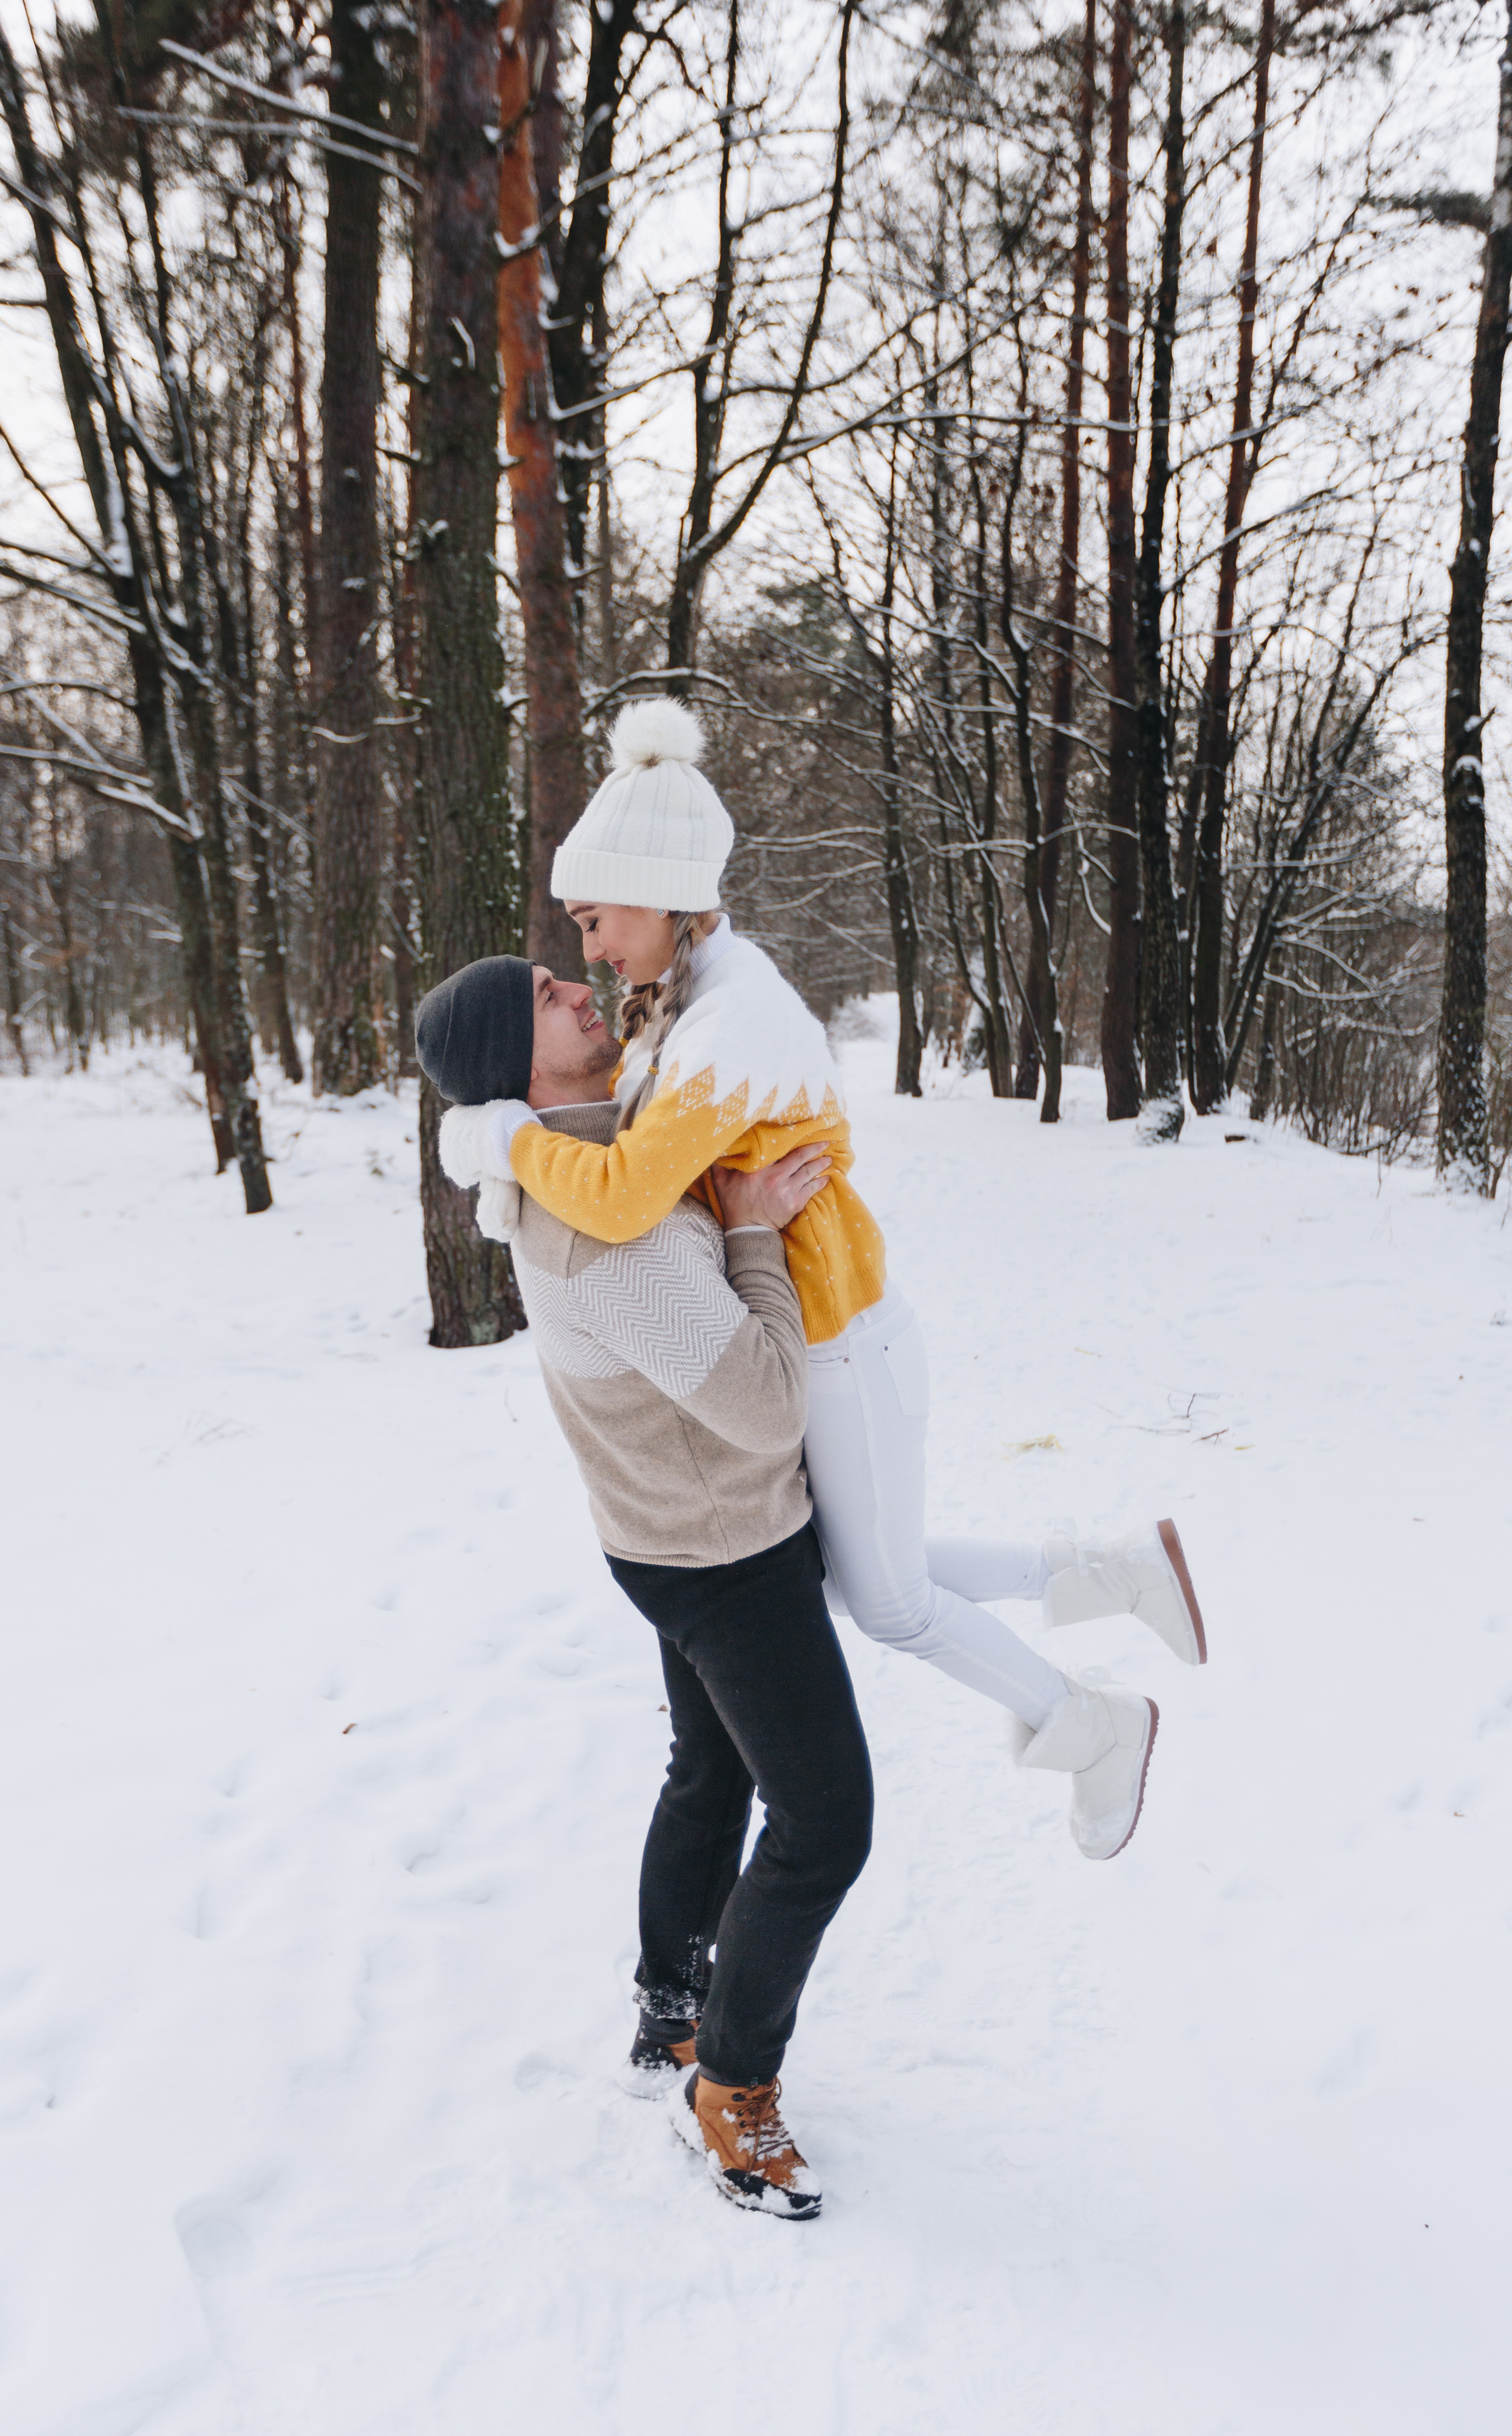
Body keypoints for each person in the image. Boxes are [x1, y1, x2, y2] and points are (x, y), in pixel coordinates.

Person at [440, 699, 1208, 1865]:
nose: (592, 948)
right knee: (859, 1582)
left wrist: (494, 1141)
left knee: (887, 1601)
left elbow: (623, 1198)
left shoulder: (731, 1022)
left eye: (596, 918)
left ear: (655, 893)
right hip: (827, 1323)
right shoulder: (693, 1002)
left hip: (838, 1338)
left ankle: (1089, 1724)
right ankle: (1109, 1574)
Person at [416, 952, 873, 2220]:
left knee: (710, 1771)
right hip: (721, 1550)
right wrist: (748, 1230)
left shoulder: (598, 1151)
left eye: (571, 974)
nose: (579, 995)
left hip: (661, 1533)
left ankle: (669, 2011)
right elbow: (762, 1402)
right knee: (824, 1822)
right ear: (517, 1067)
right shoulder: (595, 1233)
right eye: (550, 1001)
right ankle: (728, 2088)